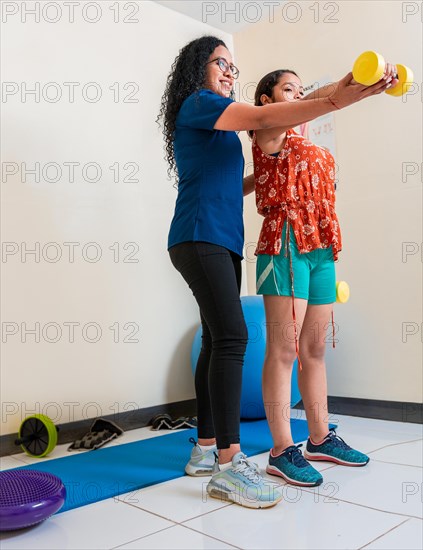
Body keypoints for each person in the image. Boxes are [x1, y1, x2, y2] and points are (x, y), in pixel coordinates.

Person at [157, 35, 395, 508]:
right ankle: (228, 468)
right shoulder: (200, 103)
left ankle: (205, 450)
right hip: (199, 234)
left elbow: (243, 179)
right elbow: (266, 118)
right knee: (231, 339)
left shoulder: (217, 123)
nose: (228, 71)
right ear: (195, 70)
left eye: (232, 65)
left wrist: (337, 93)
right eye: (218, 62)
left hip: (218, 237)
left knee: (214, 338)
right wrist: (335, 97)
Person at [250, 66, 397, 487]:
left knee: (314, 348)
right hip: (286, 243)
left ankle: (319, 438)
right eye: (288, 89)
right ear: (267, 101)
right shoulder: (269, 132)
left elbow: (324, 95)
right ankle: (281, 450)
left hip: (320, 248)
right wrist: (335, 93)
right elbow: (300, 108)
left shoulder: (307, 142)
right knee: (283, 350)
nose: (298, 96)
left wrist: (359, 83)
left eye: (301, 89)